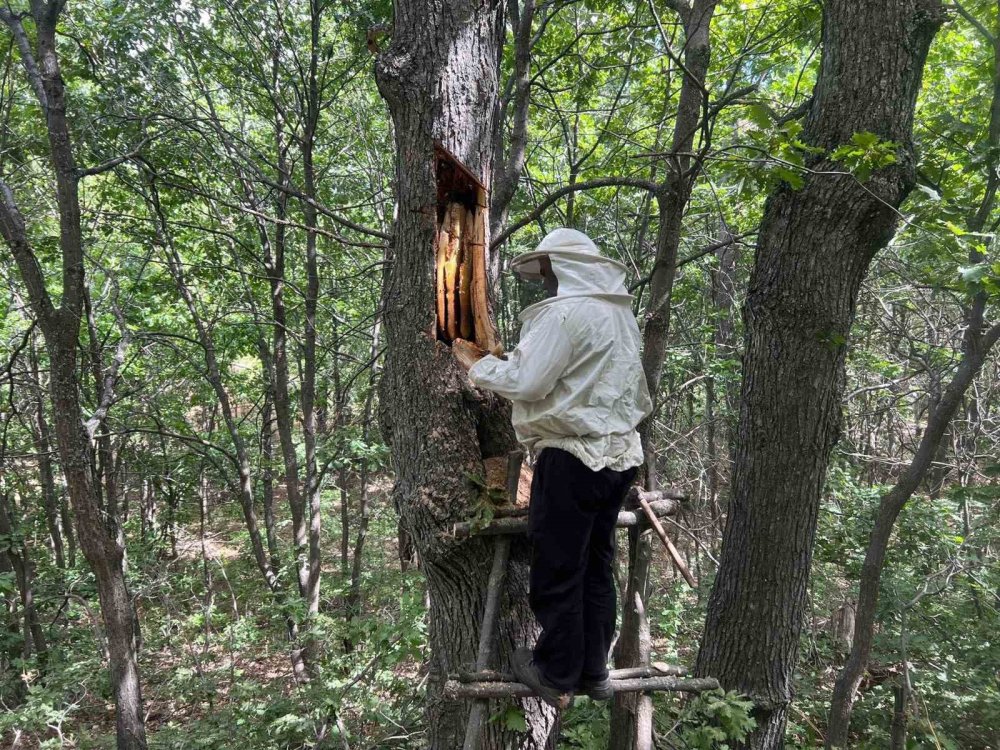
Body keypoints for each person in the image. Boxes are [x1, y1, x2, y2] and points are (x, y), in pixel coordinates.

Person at [454, 228, 652, 707]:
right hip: (620, 456)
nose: (542, 279)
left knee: (560, 567)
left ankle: (556, 671)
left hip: (573, 455)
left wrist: (477, 365)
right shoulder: (618, 314)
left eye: (546, 269)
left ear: (564, 267)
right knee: (596, 565)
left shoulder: (563, 314)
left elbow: (529, 380)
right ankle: (593, 671)